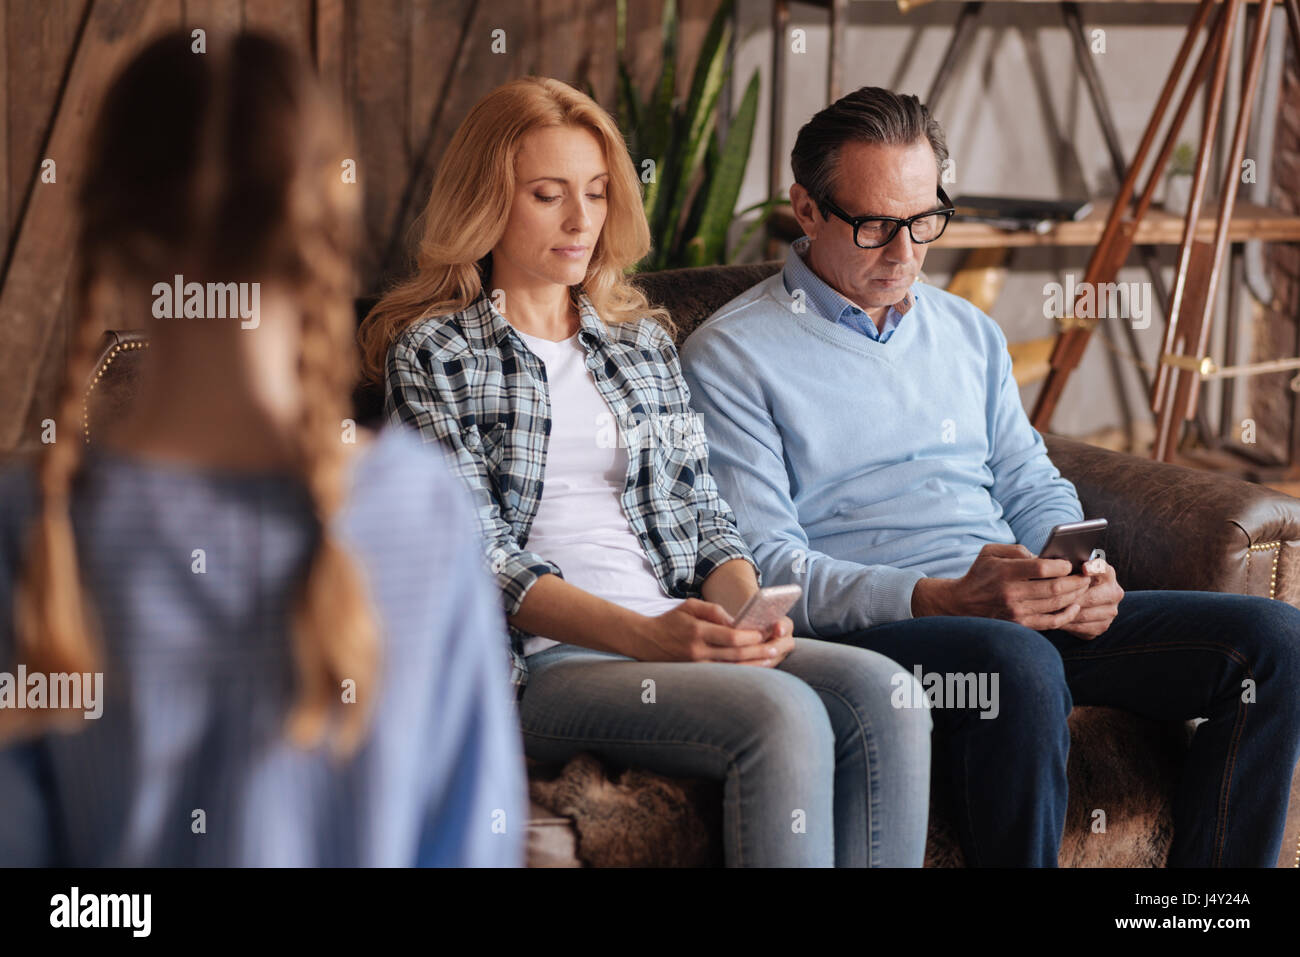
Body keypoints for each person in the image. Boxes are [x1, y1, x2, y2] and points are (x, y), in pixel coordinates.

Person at [680, 84, 1300, 867]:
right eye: (875, 225)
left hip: (1014, 617)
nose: (905, 253)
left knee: (1274, 641)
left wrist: (1082, 566)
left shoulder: (967, 331)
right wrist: (939, 597)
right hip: (884, 638)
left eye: (926, 220)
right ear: (805, 209)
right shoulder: (730, 357)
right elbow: (767, 571)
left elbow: (1028, 476)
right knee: (1018, 664)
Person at [364, 76, 931, 867]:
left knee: (890, 694)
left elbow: (705, 516)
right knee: (784, 716)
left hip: (674, 628)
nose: (580, 221)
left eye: (596, 193)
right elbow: (476, 556)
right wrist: (647, 637)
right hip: (548, 662)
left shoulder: (641, 344)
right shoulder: (434, 352)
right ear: (486, 201)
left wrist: (744, 612)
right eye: (547, 195)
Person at [0, 30, 525, 867]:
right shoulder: (422, 509)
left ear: (111, 231)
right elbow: (470, 842)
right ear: (326, 224)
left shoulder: (27, 528)